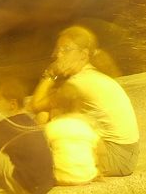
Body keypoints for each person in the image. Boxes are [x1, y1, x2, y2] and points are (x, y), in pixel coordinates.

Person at [30, 26, 139, 177]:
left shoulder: (79, 82)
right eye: (58, 50)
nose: (57, 55)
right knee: (51, 114)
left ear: (83, 54)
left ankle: (36, 164)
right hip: (126, 153)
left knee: (44, 114)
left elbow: (35, 105)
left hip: (117, 156)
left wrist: (50, 73)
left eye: (65, 49)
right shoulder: (90, 75)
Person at [44, 82, 100, 186]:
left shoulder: (52, 126)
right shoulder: (87, 125)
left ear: (56, 104)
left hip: (60, 177)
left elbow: (44, 152)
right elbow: (97, 151)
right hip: (87, 176)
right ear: (80, 104)